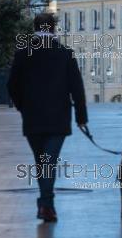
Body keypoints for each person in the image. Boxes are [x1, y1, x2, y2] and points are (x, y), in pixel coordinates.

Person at [8, 13, 88, 222]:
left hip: (32, 117)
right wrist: (81, 117)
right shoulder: (65, 54)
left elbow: (11, 85)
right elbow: (77, 89)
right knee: (49, 161)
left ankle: (46, 203)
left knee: (41, 161)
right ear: (53, 29)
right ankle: (46, 203)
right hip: (58, 117)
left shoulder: (23, 53)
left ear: (34, 28)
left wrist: (22, 107)